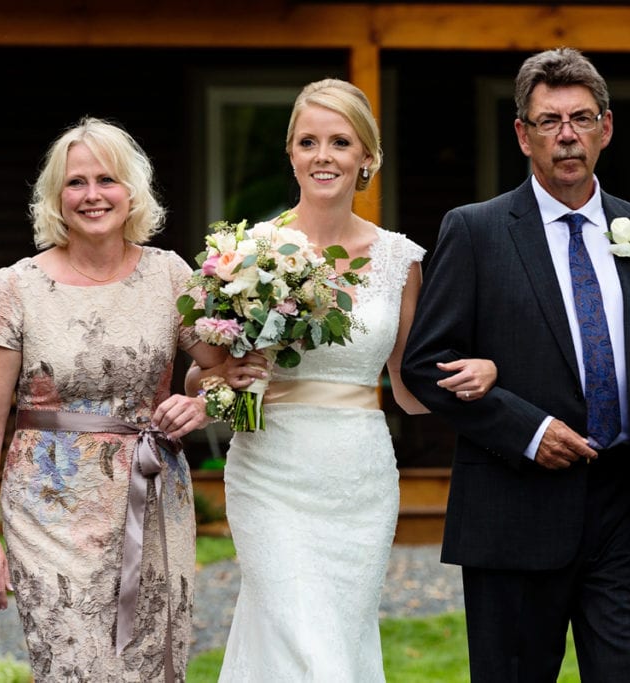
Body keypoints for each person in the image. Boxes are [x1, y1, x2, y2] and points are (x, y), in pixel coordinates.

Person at [401, 48, 630, 682]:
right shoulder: (476, 231)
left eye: (580, 118)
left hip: (623, 509)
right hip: (514, 509)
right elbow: (424, 365)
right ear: (523, 135)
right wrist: (528, 428)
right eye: (549, 121)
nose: (567, 135)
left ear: (606, 127)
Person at [188, 78, 497, 682]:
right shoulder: (246, 254)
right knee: (298, 636)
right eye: (308, 141)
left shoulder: (401, 260)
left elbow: (410, 387)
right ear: (292, 153)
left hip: (359, 480)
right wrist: (227, 378)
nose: (323, 155)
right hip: (269, 472)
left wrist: (482, 375)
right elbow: (208, 376)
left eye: (339, 141)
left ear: (367, 158)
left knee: (338, 638)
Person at [0, 116, 227, 682]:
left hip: (154, 500)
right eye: (76, 182)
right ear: (56, 197)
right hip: (49, 509)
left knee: (151, 666)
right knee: (74, 666)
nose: (92, 195)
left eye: (106, 180)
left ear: (131, 191)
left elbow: (228, 374)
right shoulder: (17, 285)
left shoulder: (171, 276)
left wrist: (202, 405)